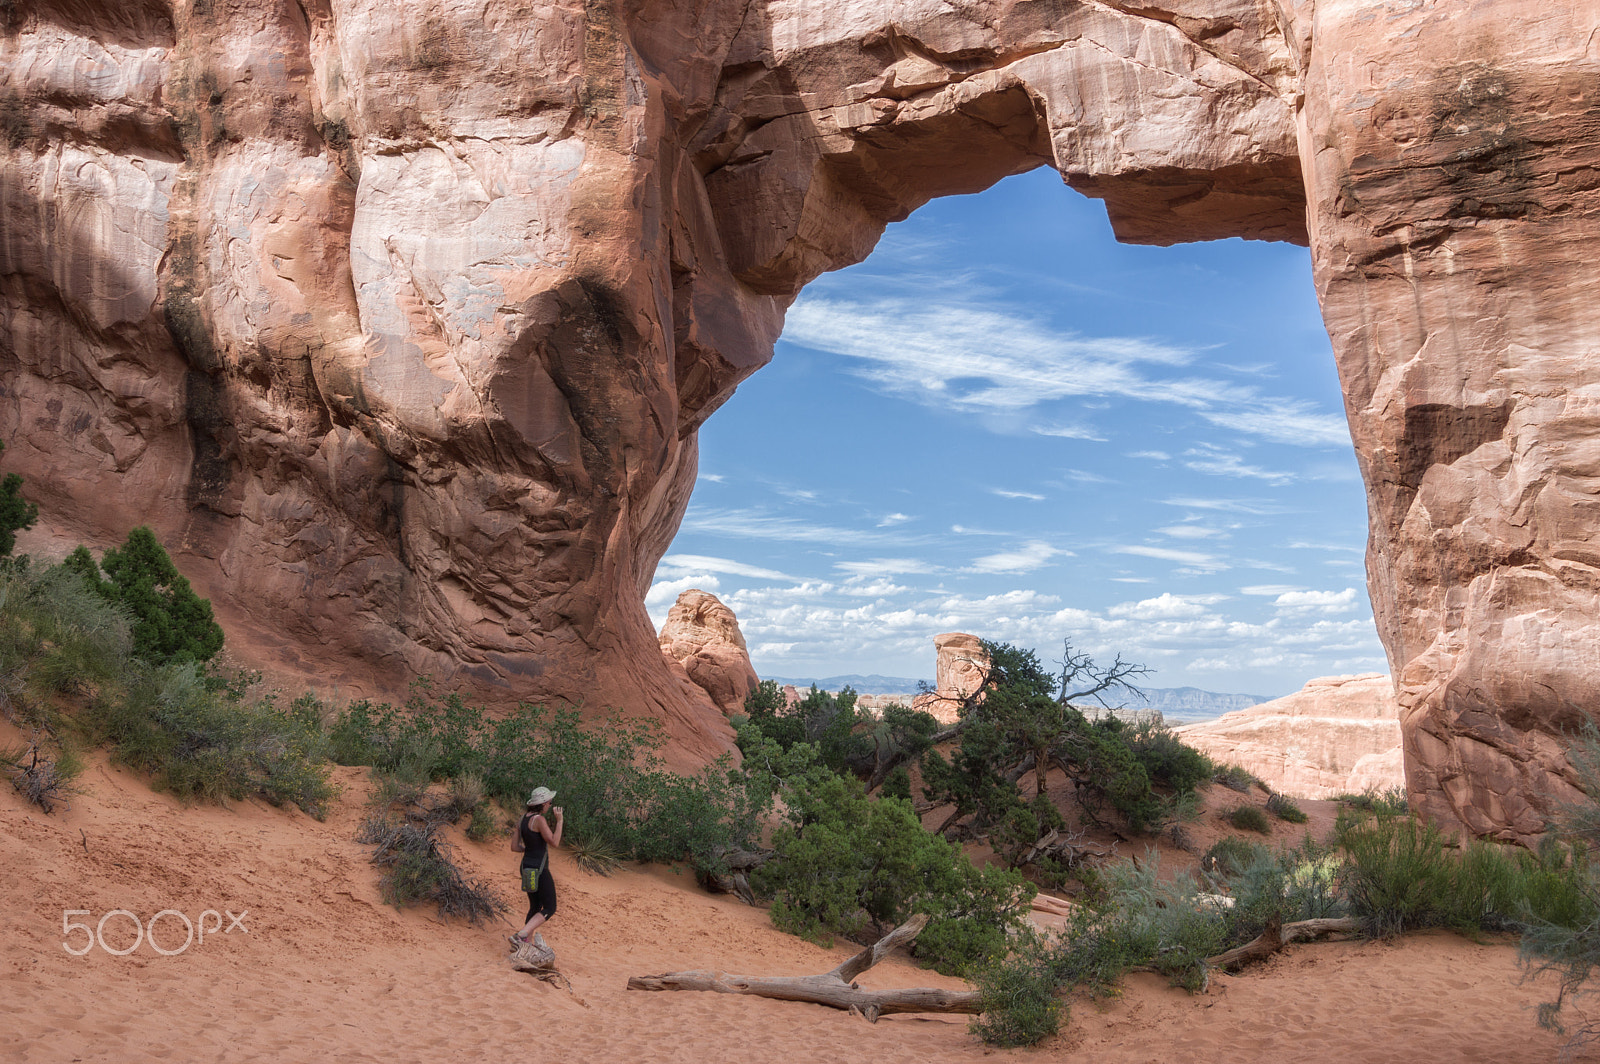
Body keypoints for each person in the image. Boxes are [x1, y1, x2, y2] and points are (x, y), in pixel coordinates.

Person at [510, 786, 563, 948]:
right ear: (544, 803)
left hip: (525, 867)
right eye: (549, 803)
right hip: (539, 869)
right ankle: (522, 935)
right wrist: (560, 821)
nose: (549, 805)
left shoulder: (523, 819)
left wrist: (530, 849)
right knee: (549, 907)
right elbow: (554, 842)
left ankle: (525, 944)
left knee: (534, 906)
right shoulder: (539, 820)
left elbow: (514, 847)